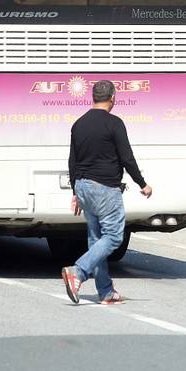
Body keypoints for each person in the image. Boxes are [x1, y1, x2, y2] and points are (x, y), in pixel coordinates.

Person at [61, 80, 152, 305]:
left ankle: (105, 292)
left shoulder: (78, 124)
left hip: (83, 185)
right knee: (113, 237)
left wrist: (75, 191)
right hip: (105, 188)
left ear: (92, 97)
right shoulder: (115, 123)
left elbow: (72, 161)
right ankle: (78, 272)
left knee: (96, 240)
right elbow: (126, 158)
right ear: (112, 98)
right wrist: (142, 183)